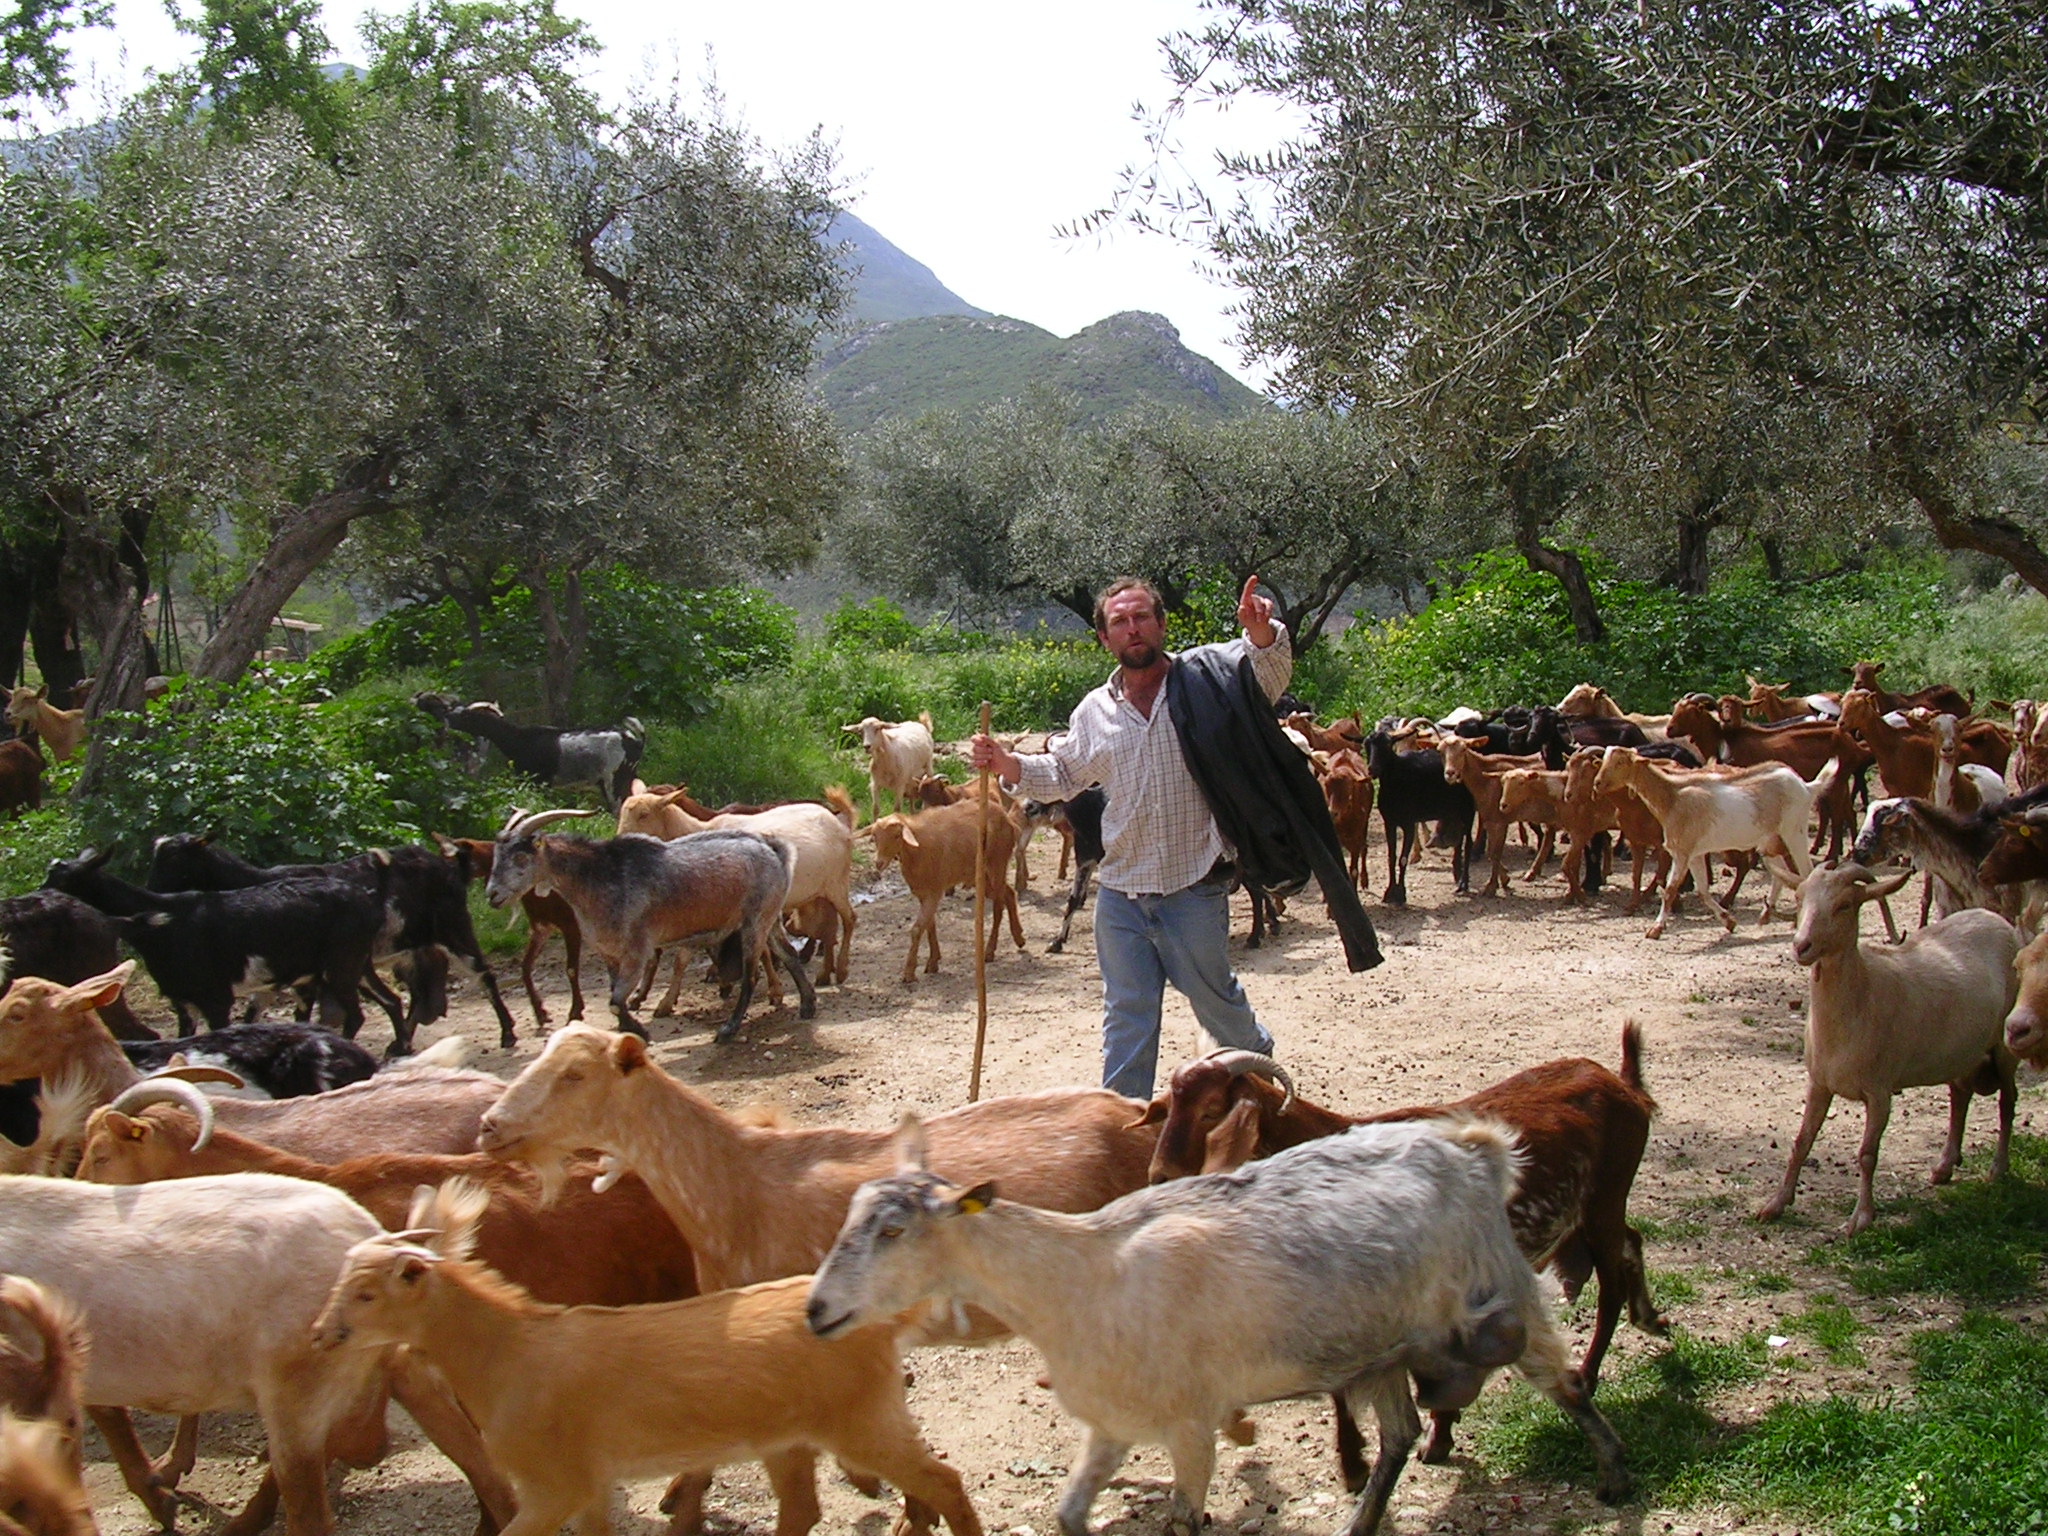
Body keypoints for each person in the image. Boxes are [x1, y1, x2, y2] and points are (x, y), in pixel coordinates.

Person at [970, 574, 1291, 1099]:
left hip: (1191, 888)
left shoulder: (1205, 682)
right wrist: (1008, 763)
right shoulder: (1093, 711)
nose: (1132, 628)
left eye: (1142, 617)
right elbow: (1065, 773)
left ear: (1162, 625)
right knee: (1127, 1021)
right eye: (1119, 621)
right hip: (1120, 895)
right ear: (1104, 638)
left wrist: (1259, 633)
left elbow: (1267, 679)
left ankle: (1266, 1091)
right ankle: (1126, 1129)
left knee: (1220, 1010)